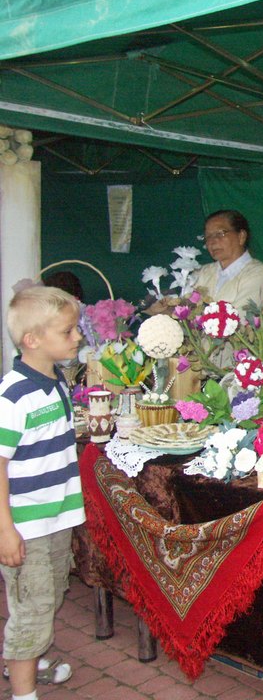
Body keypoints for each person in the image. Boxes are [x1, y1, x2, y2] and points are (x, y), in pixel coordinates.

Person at [0, 286, 85, 698]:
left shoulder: (56, 382)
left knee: (48, 596)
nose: (78, 336)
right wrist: (5, 529)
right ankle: (23, 692)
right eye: (67, 331)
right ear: (32, 340)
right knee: (32, 608)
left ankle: (27, 661)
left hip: (56, 518)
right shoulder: (14, 396)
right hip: (26, 524)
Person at [194, 209, 263, 314]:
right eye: (208, 236)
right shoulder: (202, 272)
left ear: (241, 236)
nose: (212, 241)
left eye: (220, 233)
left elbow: (241, 318)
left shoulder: (261, 273)